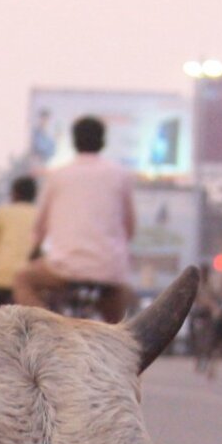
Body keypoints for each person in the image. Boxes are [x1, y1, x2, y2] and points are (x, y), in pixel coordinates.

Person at [19, 116, 136, 321]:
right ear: (103, 142)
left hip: (63, 268)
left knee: (23, 279)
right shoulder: (121, 175)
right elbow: (130, 228)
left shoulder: (58, 176)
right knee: (118, 319)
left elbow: (40, 227)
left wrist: (35, 249)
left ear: (74, 142)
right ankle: (116, 341)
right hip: (108, 270)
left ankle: (48, 327)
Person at [0, 175, 39, 311]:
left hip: (1, 279)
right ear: (34, 195)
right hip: (30, 281)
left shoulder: (2, 213)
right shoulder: (39, 214)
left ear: (14, 193)